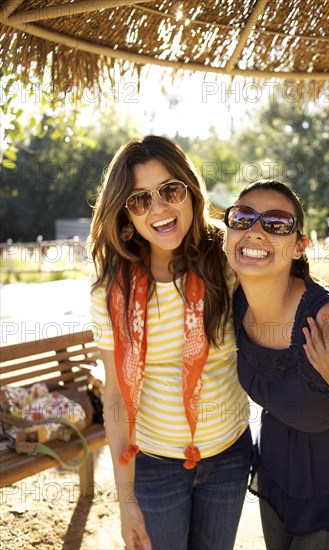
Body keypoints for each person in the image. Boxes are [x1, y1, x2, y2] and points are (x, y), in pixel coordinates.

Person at [89, 135, 253, 550]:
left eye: (170, 190)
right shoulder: (111, 293)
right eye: (139, 200)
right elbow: (115, 398)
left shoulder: (230, 259)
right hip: (154, 467)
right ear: (126, 216)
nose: (159, 209)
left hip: (230, 456)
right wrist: (126, 502)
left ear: (191, 191)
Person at [223, 179, 329, 550]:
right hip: (276, 474)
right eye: (242, 218)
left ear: (299, 246)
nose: (254, 232)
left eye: (276, 224)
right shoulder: (236, 302)